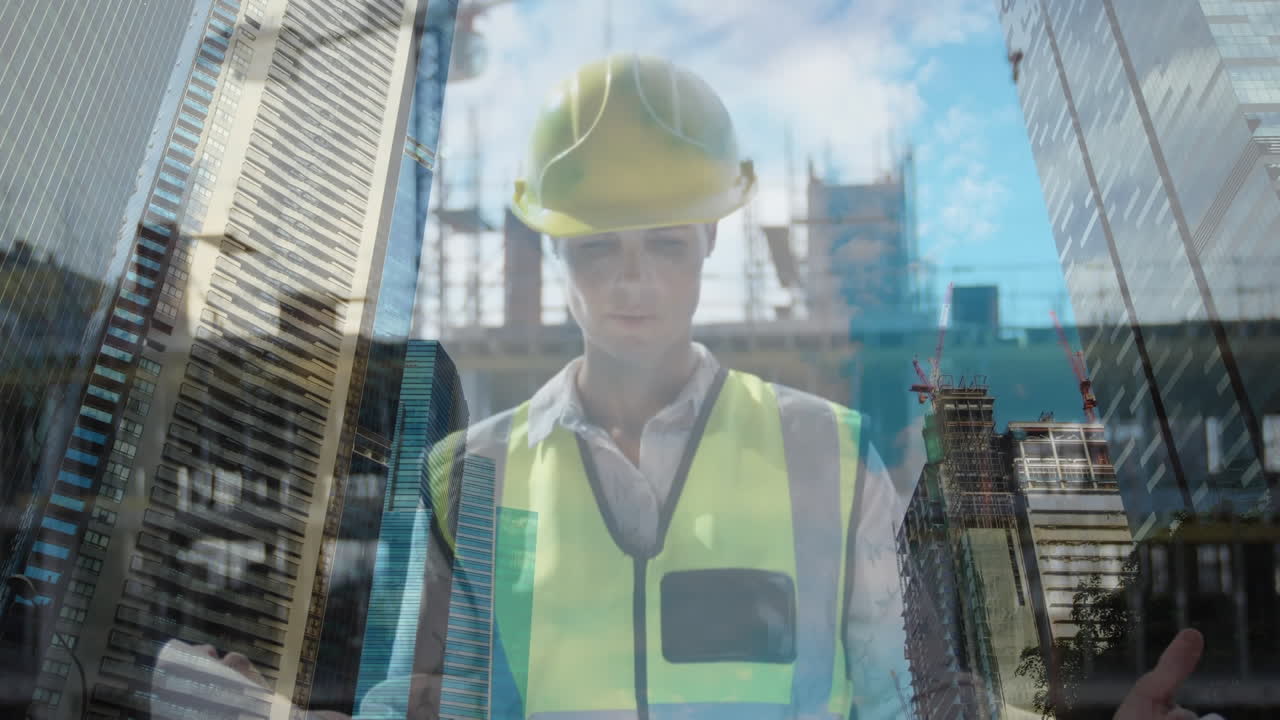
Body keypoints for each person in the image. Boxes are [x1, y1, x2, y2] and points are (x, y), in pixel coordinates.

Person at [157, 53, 1216, 720]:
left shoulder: (826, 454)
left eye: (662, 245)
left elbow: (920, 699)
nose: (630, 280)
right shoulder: (469, 477)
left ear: (708, 240)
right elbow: (435, 703)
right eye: (599, 248)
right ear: (556, 250)